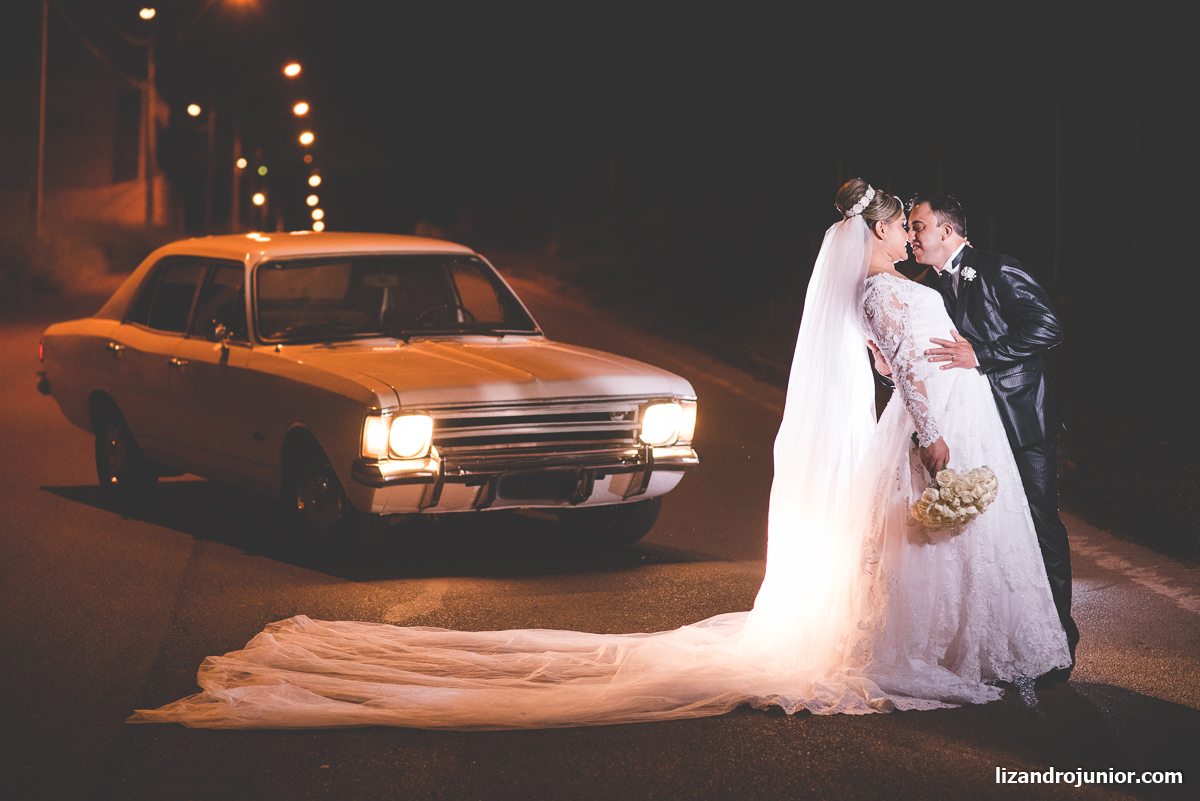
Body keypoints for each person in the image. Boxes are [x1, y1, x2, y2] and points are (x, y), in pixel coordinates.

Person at [127, 181, 1071, 730]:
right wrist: (941, 433)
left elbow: (907, 343)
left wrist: (959, 368)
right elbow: (901, 358)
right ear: (870, 232)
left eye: (913, 224)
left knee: (952, 550)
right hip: (940, 422)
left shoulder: (893, 283)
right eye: (897, 223)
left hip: (957, 409)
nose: (910, 230)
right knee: (943, 541)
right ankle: (969, 657)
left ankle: (985, 651)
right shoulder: (881, 291)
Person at [908, 196, 1079, 682]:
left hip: (1021, 421)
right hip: (968, 429)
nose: (912, 235)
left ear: (947, 231)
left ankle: (1060, 644)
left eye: (919, 226)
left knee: (1040, 525)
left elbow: (1048, 326)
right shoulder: (923, 287)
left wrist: (981, 353)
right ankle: (1002, 642)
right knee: (990, 535)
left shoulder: (997, 269)